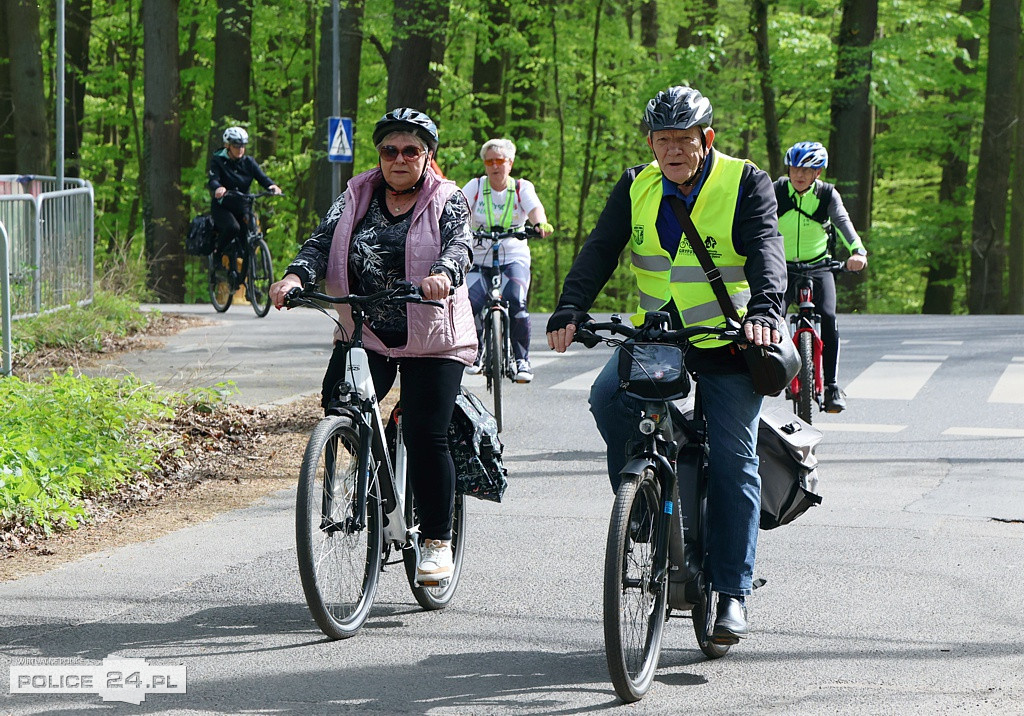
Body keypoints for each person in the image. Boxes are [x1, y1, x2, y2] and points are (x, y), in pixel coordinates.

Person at [545, 86, 787, 643]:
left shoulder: (745, 181)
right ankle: (646, 506)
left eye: (684, 139)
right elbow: (600, 248)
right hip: (658, 334)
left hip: (729, 337)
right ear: (650, 142)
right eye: (662, 140)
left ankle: (731, 591)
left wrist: (767, 312)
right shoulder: (637, 184)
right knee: (608, 399)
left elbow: (766, 249)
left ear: (707, 139)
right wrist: (570, 307)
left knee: (734, 456)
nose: (672, 150)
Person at [269, 108, 475, 583]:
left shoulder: (448, 198)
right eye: (389, 150)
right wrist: (296, 275)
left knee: (426, 432)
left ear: (428, 156)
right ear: (379, 155)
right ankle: (375, 487)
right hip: (368, 329)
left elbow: (459, 246)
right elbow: (320, 241)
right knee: (340, 405)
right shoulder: (356, 195)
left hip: (432, 334)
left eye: (410, 150)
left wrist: (443, 275)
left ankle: (437, 540)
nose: (398, 159)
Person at [774, 141, 868, 413]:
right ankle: (776, 372)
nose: (799, 175)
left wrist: (857, 251)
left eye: (806, 170)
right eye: (794, 169)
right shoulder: (776, 190)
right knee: (772, 317)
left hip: (819, 266)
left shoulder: (827, 195)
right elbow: (757, 222)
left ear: (818, 173)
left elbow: (843, 224)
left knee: (828, 317)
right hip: (782, 266)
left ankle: (832, 386)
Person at [461, 138, 552, 384]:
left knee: (516, 300)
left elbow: (535, 210)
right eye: (489, 161)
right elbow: (458, 209)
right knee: (470, 302)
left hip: (513, 256)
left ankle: (522, 360)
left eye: (499, 161)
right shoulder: (476, 186)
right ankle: (476, 353)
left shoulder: (521, 188)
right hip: (479, 256)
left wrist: (539, 224)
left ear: (509, 163)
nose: (494, 166)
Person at [207, 126, 283, 248]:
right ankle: (218, 253)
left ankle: (248, 265)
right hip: (223, 206)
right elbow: (213, 180)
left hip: (243, 206)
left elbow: (262, 178)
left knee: (248, 236)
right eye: (236, 146)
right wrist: (218, 188)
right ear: (228, 146)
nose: (240, 149)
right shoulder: (218, 161)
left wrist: (272, 186)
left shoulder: (249, 162)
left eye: (242, 146)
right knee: (233, 228)